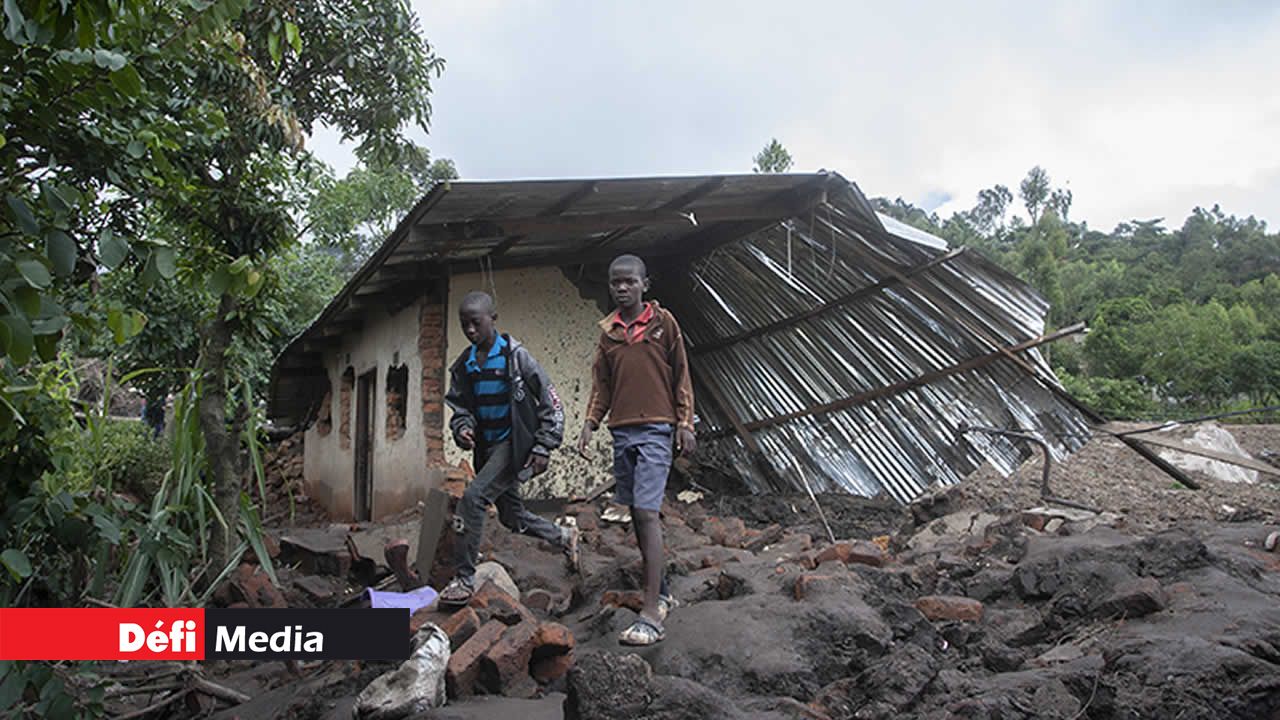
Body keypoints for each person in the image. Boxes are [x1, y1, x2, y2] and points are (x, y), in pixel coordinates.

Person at [578, 254, 696, 645]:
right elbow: (602, 386)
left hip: (657, 429)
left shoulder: (664, 324)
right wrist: (590, 424)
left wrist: (684, 422)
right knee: (635, 513)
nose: (622, 288)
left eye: (630, 281)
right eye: (616, 283)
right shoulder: (608, 333)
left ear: (646, 284)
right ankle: (660, 593)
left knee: (646, 511)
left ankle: (650, 615)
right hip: (622, 432)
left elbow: (682, 374)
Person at [438, 291, 579, 606]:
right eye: (464, 325)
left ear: (493, 318)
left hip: (513, 446)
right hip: (487, 448)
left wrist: (544, 445)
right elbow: (461, 408)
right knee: (512, 517)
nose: (471, 331)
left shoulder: (516, 357)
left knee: (473, 500)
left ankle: (463, 579)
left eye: (476, 323)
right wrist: (463, 428)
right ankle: (563, 537)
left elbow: (550, 401)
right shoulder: (466, 365)